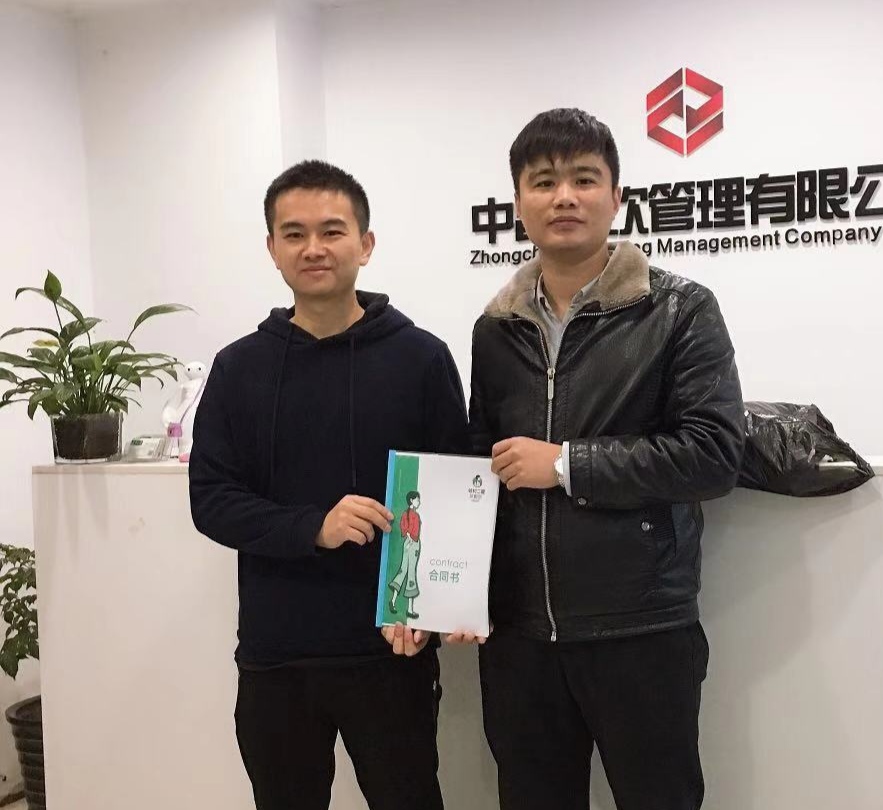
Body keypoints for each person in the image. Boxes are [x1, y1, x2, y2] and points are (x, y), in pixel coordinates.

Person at [467, 108, 745, 810]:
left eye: (584, 179)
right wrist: (452, 591)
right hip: (522, 636)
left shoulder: (679, 310)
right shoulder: (495, 329)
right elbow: (478, 472)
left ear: (616, 197)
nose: (564, 196)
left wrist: (568, 465)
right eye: (544, 182)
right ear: (518, 202)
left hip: (640, 627)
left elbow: (714, 453)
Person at [188, 160, 466, 810]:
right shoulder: (238, 368)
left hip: (390, 650)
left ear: (365, 244)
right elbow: (212, 501)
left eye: (332, 231)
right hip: (277, 653)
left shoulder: (421, 358)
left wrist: (430, 609)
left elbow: (453, 490)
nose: (313, 247)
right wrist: (313, 526)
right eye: (295, 233)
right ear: (272, 249)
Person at [389, 490, 422, 618]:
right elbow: (411, 530)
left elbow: (404, 527)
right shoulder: (414, 515)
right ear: (412, 500)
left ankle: (393, 601)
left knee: (403, 570)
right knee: (411, 573)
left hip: (408, 543)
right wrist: (410, 537)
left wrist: (407, 536)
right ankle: (409, 609)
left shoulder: (407, 514)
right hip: (413, 544)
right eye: (417, 499)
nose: (419, 502)